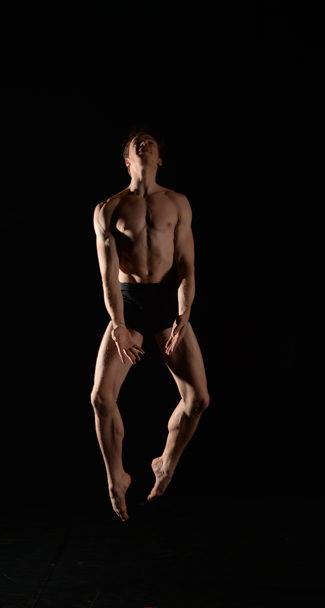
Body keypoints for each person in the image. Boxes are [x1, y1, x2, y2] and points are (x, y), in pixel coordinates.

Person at [90, 128, 210, 522]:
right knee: (101, 398)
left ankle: (166, 463)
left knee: (198, 400)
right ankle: (116, 477)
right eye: (136, 143)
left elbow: (187, 266)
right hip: (129, 302)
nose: (145, 143)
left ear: (160, 160)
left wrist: (184, 314)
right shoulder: (109, 208)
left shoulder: (177, 203)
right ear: (128, 160)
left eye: (151, 143)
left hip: (167, 303)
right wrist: (118, 324)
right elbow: (107, 277)